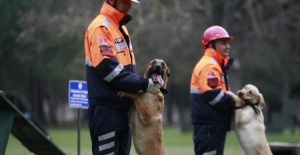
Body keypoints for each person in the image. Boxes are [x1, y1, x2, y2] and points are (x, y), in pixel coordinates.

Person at [84, 0, 161, 154]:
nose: (129, 5)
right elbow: (109, 70)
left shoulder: (122, 29)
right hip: (106, 111)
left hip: (123, 112)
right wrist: (144, 84)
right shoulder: (100, 28)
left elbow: (127, 71)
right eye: (125, 1)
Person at [190, 25, 237, 155]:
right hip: (209, 126)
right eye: (223, 43)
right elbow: (214, 96)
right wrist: (238, 102)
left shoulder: (214, 64)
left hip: (211, 125)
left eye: (227, 43)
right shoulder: (209, 66)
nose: (228, 46)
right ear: (211, 44)